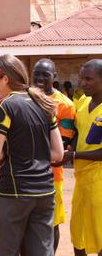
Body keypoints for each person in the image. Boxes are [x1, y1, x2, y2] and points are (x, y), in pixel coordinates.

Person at [0, 54, 64, 256]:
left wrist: (17, 150)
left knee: (4, 251)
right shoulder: (45, 104)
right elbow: (58, 153)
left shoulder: (5, 107)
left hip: (14, 192)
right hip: (45, 191)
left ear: (5, 79)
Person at [32, 58, 76, 252]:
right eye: (37, 73)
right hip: (25, 170)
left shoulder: (64, 105)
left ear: (55, 77)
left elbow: (64, 142)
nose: (40, 78)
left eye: (45, 74)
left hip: (51, 173)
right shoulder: (26, 96)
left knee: (52, 222)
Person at [59, 59, 102, 256]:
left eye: (88, 79)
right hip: (81, 179)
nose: (82, 83)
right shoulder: (83, 102)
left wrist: (73, 155)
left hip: (99, 180)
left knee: (99, 233)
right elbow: (78, 132)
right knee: (78, 231)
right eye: (82, 78)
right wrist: (69, 147)